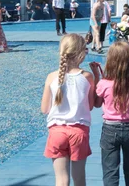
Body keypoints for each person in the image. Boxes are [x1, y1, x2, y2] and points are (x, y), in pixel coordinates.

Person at [41, 34, 95, 186]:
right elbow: (90, 106)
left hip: (57, 131)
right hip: (79, 131)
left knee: (61, 180)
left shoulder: (52, 77)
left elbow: (45, 109)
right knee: (79, 179)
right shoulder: (87, 77)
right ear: (80, 53)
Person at [90, 42, 129, 186]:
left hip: (109, 129)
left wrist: (96, 76)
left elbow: (96, 104)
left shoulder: (104, 83)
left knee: (110, 171)